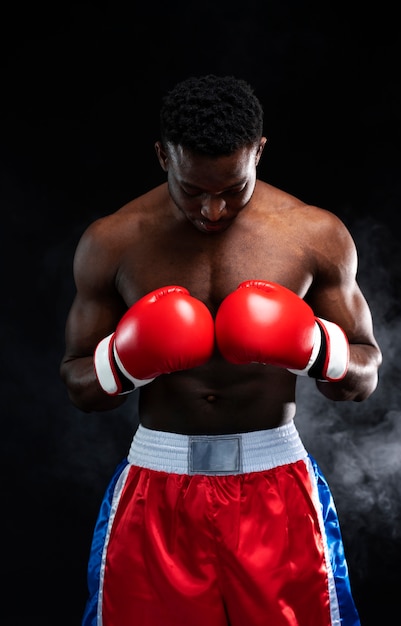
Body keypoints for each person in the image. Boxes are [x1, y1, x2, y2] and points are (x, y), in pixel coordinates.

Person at [60, 74, 382, 626]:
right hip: (154, 490)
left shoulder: (314, 235)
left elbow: (363, 373)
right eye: (194, 191)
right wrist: (123, 362)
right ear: (164, 157)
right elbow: (79, 387)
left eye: (233, 190)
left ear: (258, 151)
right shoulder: (114, 241)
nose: (213, 211)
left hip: (276, 486)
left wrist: (312, 347)